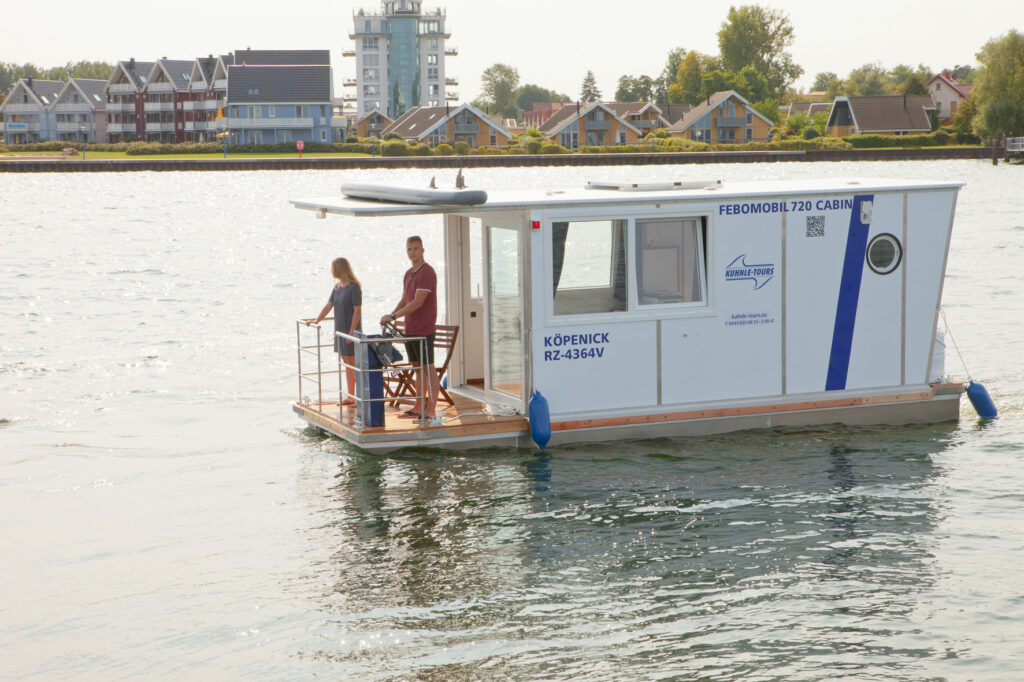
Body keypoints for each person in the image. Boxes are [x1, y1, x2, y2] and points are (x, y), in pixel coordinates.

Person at [380, 235, 441, 424]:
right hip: (410, 328)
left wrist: (395, 316)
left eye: (415, 249)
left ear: (422, 250)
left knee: (428, 368)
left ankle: (431, 410)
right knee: (417, 368)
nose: (412, 252)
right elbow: (406, 300)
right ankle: (418, 406)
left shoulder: (427, 272)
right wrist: (392, 314)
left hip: (424, 330)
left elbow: (418, 302)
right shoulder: (408, 273)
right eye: (409, 249)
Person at [308, 257, 362, 407]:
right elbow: (329, 305)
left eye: (333, 268)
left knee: (353, 364)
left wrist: (352, 332)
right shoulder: (338, 287)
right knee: (346, 363)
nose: (331, 272)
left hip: (350, 331)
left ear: (339, 269)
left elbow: (357, 311)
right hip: (340, 330)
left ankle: (360, 397)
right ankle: (350, 396)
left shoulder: (354, 287)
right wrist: (317, 320)